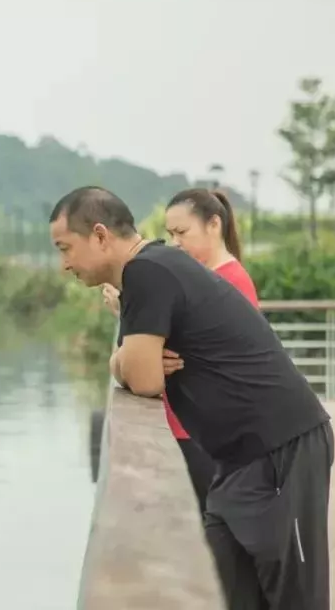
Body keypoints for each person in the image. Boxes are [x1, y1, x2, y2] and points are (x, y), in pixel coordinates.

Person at [49, 186, 334, 610]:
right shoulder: (150, 270)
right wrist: (124, 360)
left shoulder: (147, 273)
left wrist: (129, 361)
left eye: (65, 248)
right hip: (234, 459)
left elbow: (145, 380)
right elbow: (132, 366)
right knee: (228, 592)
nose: (64, 264)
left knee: (295, 599)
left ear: (100, 235)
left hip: (281, 447)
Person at [100, 187, 259, 515]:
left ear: (214, 225)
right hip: (191, 427)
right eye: (170, 234)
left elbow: (162, 358)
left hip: (206, 432)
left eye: (182, 232)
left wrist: (130, 315)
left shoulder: (228, 283)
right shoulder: (205, 280)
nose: (175, 243)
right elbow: (150, 355)